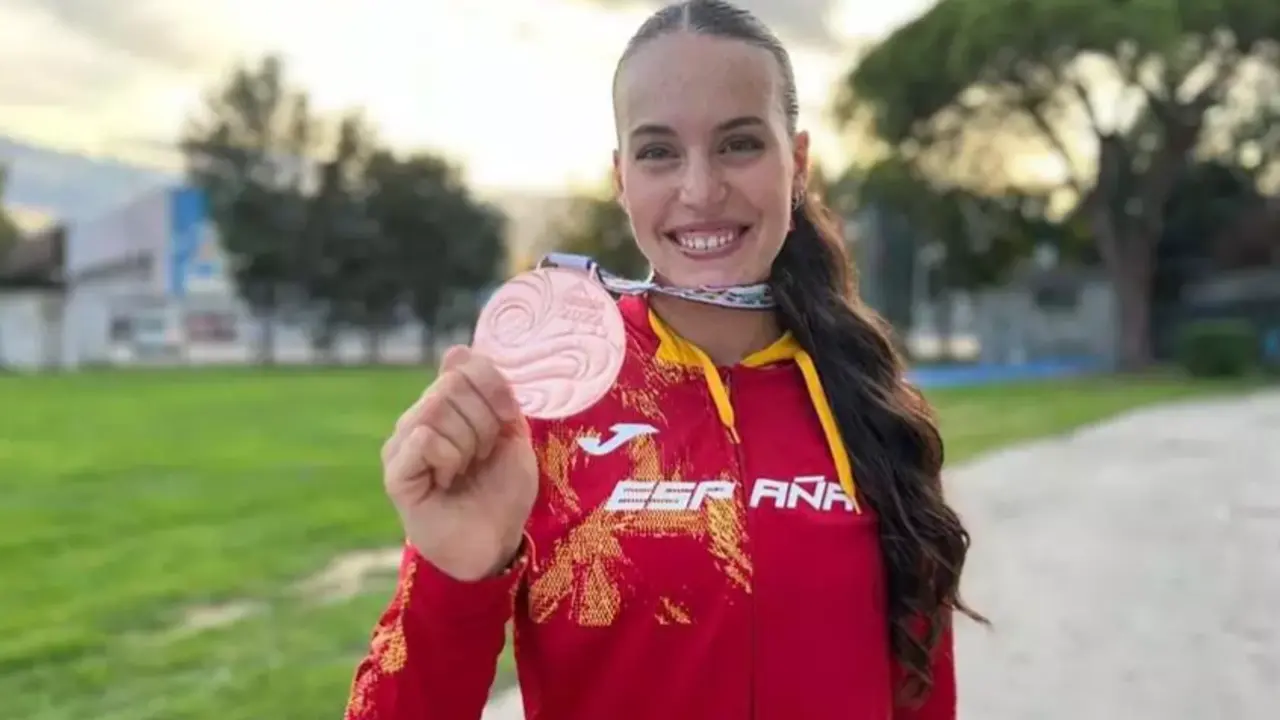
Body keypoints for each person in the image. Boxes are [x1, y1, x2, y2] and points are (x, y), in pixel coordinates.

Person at [344, 1, 981, 718]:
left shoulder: (869, 403)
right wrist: (457, 577)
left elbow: (924, 697)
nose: (700, 190)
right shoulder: (542, 402)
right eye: (659, 152)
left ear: (796, 164)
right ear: (622, 179)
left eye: (739, 144)